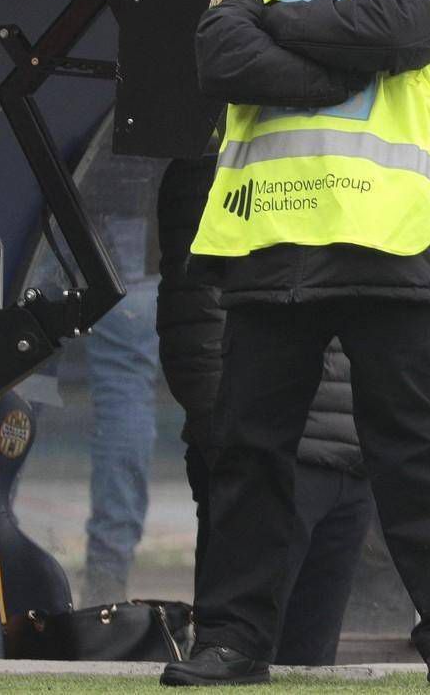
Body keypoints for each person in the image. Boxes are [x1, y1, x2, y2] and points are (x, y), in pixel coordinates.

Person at [158, 0, 430, 686]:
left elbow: (413, 27)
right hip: (271, 233)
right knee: (247, 449)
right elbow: (220, 59)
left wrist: (283, 22)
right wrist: (346, 61)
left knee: (415, 448)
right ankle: (231, 640)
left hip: (390, 234)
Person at [156, 154, 375, 666]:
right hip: (271, 457)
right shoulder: (218, 159)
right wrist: (237, 451)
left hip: (346, 458)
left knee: (307, 668)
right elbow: (195, 321)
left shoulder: (348, 151)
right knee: (239, 655)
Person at [77, 154, 165, 606]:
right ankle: (107, 577)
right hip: (136, 209)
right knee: (125, 385)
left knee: (12, 378)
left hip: (47, 192)